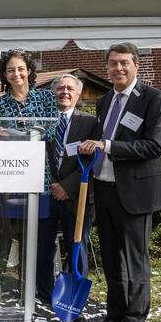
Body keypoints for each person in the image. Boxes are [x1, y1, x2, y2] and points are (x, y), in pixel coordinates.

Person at [78, 43, 161, 322]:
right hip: (104, 190)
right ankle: (114, 317)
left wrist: (108, 146)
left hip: (135, 194)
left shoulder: (153, 99)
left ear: (136, 65)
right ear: (107, 67)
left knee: (134, 261)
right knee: (111, 259)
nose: (118, 68)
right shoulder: (104, 101)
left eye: (124, 63)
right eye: (113, 64)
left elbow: (153, 146)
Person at [0, 50, 58, 299]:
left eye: (20, 68)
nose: (16, 74)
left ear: (29, 70)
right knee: (6, 234)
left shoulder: (47, 98)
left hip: (41, 177)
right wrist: (29, 133)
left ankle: (38, 287)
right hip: (10, 176)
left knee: (39, 236)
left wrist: (16, 134)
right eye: (10, 70)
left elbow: (49, 133)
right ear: (4, 76)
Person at [36, 74, 96, 300]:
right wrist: (52, 185)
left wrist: (66, 187)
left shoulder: (89, 123)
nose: (65, 92)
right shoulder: (43, 122)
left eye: (70, 88)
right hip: (46, 194)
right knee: (43, 247)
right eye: (60, 88)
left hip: (75, 198)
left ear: (78, 94)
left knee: (76, 247)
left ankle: (74, 296)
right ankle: (44, 293)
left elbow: (93, 161)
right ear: (53, 93)